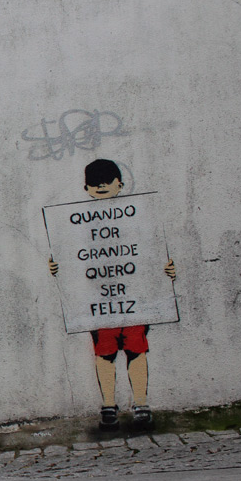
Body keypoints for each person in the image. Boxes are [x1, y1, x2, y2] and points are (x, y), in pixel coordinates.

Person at [49, 159, 176, 431]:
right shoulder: (79, 224)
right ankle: (109, 405)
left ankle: (140, 403)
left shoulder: (136, 219)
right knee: (105, 353)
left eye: (107, 180)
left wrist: (166, 269)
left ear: (120, 184)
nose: (101, 185)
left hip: (134, 301)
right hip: (100, 304)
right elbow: (71, 255)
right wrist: (58, 267)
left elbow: (151, 250)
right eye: (95, 182)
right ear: (86, 188)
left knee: (136, 350)